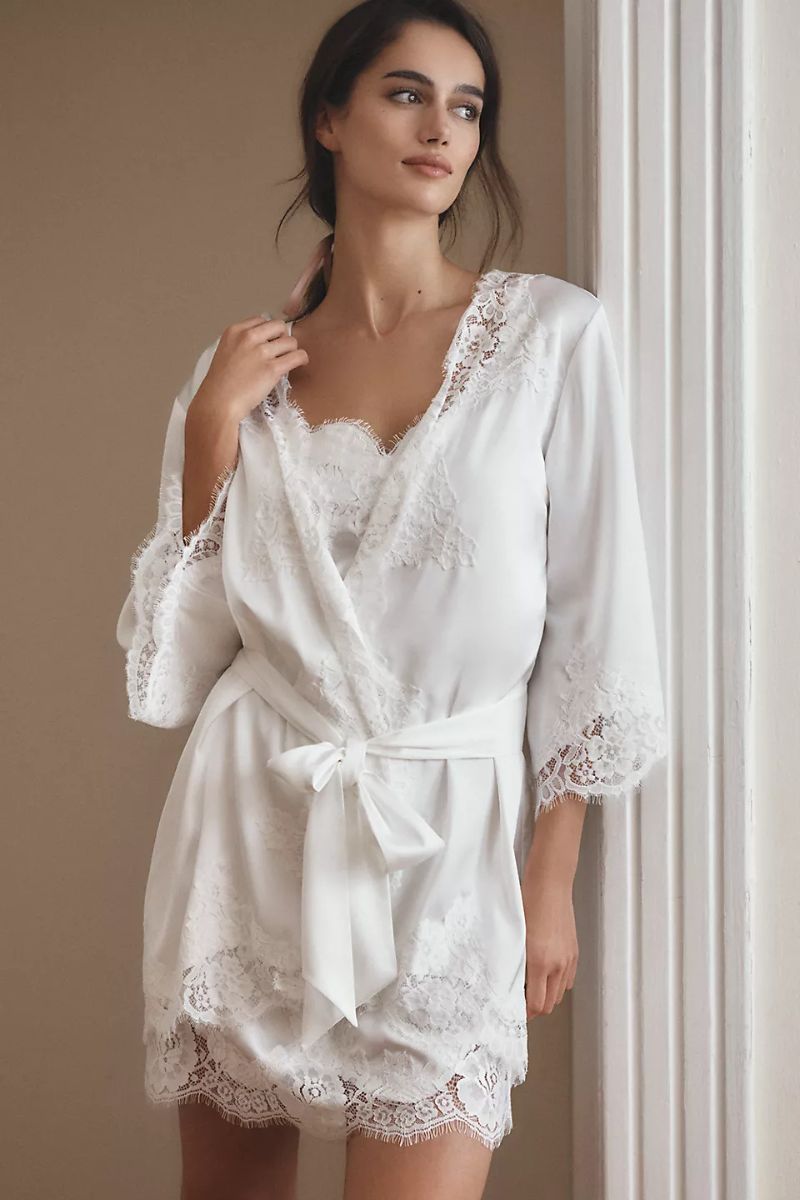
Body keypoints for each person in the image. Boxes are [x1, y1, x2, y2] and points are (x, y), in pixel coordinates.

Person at [115, 1, 667, 1197]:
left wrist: (549, 877)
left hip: (447, 847)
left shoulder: (549, 337)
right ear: (329, 118)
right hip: (248, 833)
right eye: (405, 94)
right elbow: (177, 666)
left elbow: (595, 618)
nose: (441, 129)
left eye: (466, 107)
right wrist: (210, 431)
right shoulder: (240, 379)